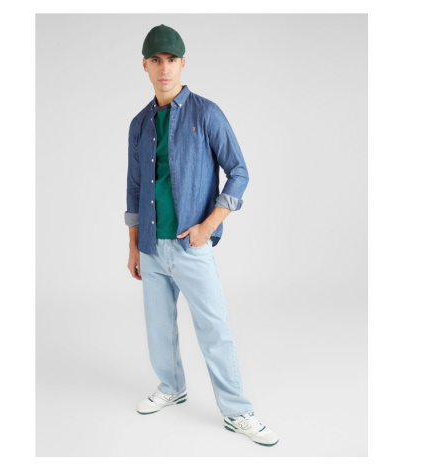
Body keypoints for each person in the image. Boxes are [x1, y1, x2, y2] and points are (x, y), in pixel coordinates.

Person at [124, 24, 279, 447]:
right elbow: (134, 188)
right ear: (145, 65)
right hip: (151, 246)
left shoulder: (206, 113)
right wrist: (133, 246)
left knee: (214, 330)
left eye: (171, 59)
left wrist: (209, 226)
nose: (164, 68)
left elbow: (239, 172)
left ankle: (237, 411)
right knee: (159, 329)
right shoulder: (139, 124)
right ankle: (171, 387)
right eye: (156, 60)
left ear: (183, 64)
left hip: (190, 246)